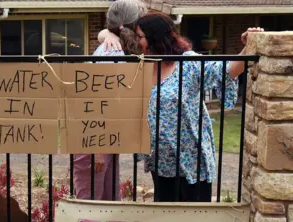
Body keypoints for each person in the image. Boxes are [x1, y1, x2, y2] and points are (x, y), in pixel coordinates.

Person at [98, 12, 263, 202]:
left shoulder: (188, 63)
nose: (137, 41)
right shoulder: (144, 63)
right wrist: (108, 34)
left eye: (140, 37)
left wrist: (248, 46)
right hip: (160, 162)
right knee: (166, 220)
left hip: (191, 160)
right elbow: (107, 35)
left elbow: (228, 70)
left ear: (156, 37)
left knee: (194, 219)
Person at [73, 0, 147, 201]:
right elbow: (94, 102)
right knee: (91, 205)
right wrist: (96, 150)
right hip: (95, 141)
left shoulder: (117, 49)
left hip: (105, 139)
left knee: (107, 202)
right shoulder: (111, 53)